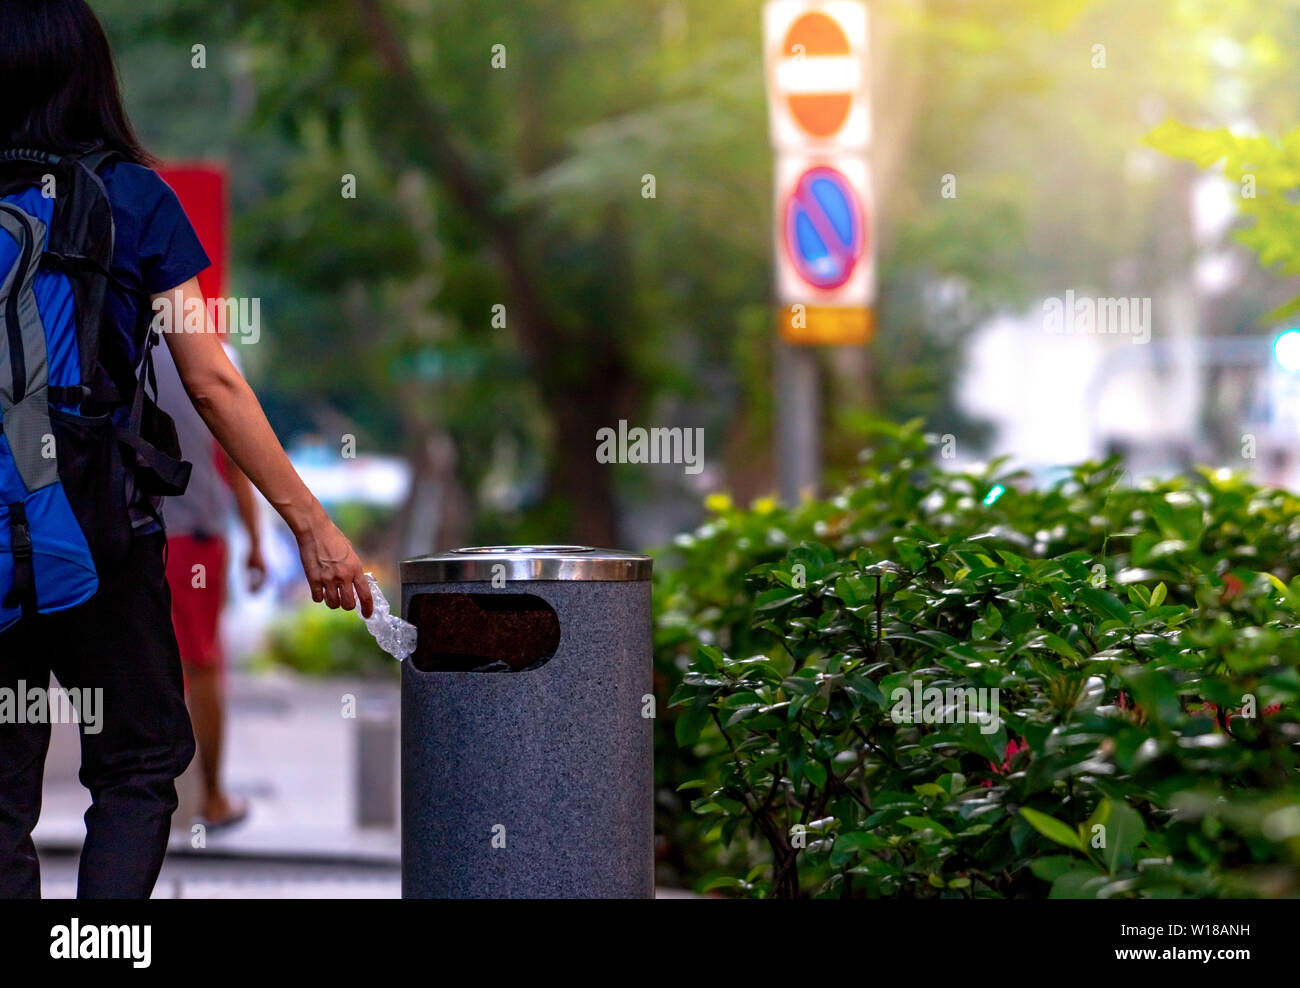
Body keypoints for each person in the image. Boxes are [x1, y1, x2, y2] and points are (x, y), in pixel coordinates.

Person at [0, 0, 372, 899]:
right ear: (91, 74)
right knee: (135, 767)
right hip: (102, 535)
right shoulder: (136, 197)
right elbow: (211, 381)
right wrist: (309, 525)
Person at [155, 339, 264, 832]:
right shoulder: (212, 354)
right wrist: (256, 540)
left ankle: (151, 798)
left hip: (131, 534)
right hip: (195, 539)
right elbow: (238, 456)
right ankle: (212, 798)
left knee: (151, 667)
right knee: (200, 668)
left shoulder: (113, 338)